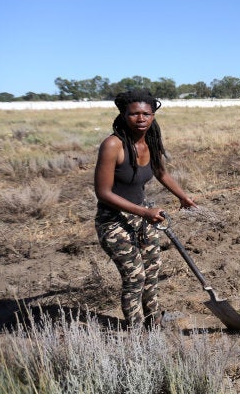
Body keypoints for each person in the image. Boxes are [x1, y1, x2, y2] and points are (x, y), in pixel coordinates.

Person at [94, 89, 197, 329]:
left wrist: (183, 197)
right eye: (134, 114)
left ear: (153, 115)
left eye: (146, 114)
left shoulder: (151, 140)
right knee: (135, 277)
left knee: (152, 270)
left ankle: (154, 319)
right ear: (123, 115)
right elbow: (103, 193)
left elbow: (160, 172)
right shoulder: (112, 145)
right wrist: (144, 213)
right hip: (113, 220)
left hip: (143, 215)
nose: (141, 119)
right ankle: (137, 330)